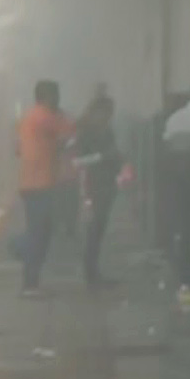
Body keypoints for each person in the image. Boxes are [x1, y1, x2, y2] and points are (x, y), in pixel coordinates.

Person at [17, 80, 74, 296]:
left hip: (33, 182)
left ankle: (31, 279)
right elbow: (69, 131)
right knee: (39, 234)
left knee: (42, 231)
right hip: (39, 183)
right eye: (56, 95)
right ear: (47, 96)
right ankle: (29, 281)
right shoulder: (44, 117)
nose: (58, 99)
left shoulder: (31, 116)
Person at [75, 92, 124, 288]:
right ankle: (91, 273)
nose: (109, 117)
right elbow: (78, 160)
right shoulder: (86, 131)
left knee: (99, 228)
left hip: (106, 182)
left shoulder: (106, 130)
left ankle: (94, 271)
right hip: (94, 183)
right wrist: (105, 156)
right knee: (94, 228)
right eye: (107, 113)